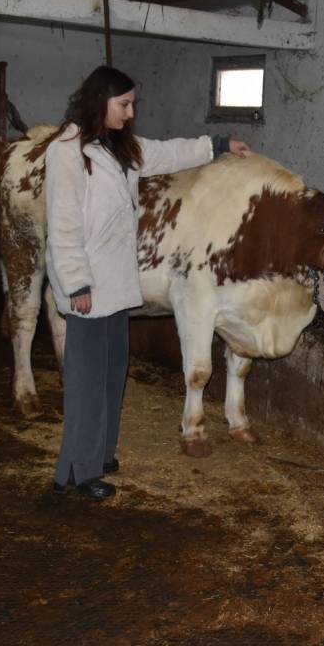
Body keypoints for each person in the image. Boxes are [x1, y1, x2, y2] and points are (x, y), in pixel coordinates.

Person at [46, 65, 250, 499]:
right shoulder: (67, 150)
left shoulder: (120, 147)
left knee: (112, 373)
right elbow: (63, 224)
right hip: (87, 287)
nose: (130, 111)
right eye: (124, 104)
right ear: (100, 101)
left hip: (118, 282)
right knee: (85, 380)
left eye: (132, 103)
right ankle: (77, 472)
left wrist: (217, 145)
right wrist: (77, 284)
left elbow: (168, 153)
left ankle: (99, 453)